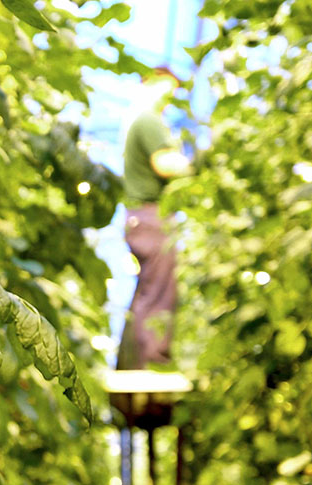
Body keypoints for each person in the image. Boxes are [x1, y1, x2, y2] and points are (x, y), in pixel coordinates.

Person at [116, 67, 192, 370]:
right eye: (168, 88)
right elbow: (165, 164)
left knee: (148, 291)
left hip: (139, 217)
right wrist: (198, 166)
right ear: (150, 82)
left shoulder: (136, 119)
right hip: (151, 216)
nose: (171, 97)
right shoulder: (148, 119)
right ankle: (154, 364)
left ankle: (134, 364)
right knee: (160, 292)